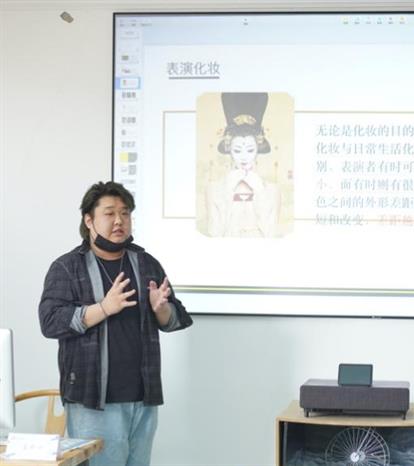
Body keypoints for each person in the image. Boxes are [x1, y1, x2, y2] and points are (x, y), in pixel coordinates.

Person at [38, 181, 193, 466]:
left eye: (125, 213)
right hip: (93, 399)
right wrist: (103, 309)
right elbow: (50, 321)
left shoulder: (146, 263)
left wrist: (161, 309)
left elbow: (177, 318)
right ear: (89, 220)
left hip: (143, 397)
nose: (119, 221)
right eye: (109, 213)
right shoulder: (67, 266)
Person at [205, 92, 281, 237]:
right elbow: (214, 232)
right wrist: (227, 190)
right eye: (237, 150)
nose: (244, 157)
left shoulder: (272, 190)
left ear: (258, 151)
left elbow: (271, 233)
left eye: (250, 150)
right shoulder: (214, 189)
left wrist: (259, 190)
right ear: (230, 151)